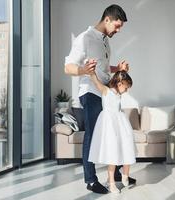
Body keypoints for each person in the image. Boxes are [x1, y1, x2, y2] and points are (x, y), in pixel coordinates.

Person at [64, 4, 136, 194]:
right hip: (91, 91)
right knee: (92, 134)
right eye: (117, 26)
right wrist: (83, 70)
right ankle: (90, 180)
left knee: (115, 133)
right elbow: (68, 67)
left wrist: (116, 69)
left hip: (106, 92)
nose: (118, 30)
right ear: (107, 20)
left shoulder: (105, 41)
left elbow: (102, 69)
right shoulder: (85, 38)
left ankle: (118, 173)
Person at [88, 69, 136, 193]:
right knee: (112, 154)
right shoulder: (106, 91)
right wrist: (92, 72)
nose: (127, 91)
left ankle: (125, 174)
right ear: (120, 84)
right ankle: (111, 182)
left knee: (128, 146)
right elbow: (96, 81)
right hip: (110, 125)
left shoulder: (119, 94)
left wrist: (123, 70)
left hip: (120, 122)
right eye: (126, 88)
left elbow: (121, 75)